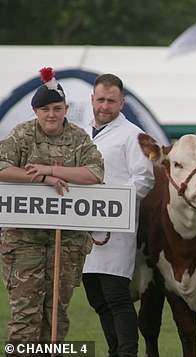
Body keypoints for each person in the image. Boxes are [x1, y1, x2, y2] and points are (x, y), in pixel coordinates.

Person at [0, 67, 104, 345]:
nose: (51, 114)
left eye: (57, 108)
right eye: (45, 109)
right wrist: (43, 179)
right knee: (25, 314)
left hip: (66, 243)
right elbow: (2, 168)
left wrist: (52, 170)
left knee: (57, 313)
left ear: (65, 109)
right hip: (24, 242)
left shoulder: (80, 138)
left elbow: (94, 174)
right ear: (36, 111)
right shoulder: (21, 135)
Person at [82, 73, 155, 357]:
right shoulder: (79, 132)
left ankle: (127, 351)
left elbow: (144, 180)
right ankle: (115, 350)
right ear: (92, 100)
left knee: (116, 296)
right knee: (96, 298)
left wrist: (109, 196)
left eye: (111, 101)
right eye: (100, 99)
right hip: (84, 229)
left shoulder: (134, 135)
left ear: (121, 103)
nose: (105, 106)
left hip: (115, 231)